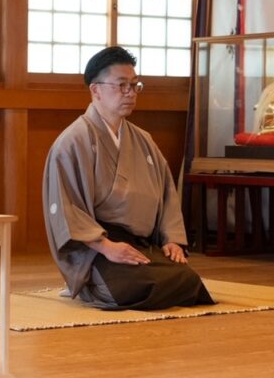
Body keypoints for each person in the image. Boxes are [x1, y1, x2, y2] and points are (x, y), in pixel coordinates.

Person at [43, 46, 214, 310]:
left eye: (134, 85)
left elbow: (166, 194)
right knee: (137, 288)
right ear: (96, 90)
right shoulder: (73, 141)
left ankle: (136, 274)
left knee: (190, 282)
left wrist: (171, 239)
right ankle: (90, 286)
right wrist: (107, 247)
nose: (130, 93)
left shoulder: (143, 140)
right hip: (97, 247)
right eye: (121, 85)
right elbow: (67, 208)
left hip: (141, 243)